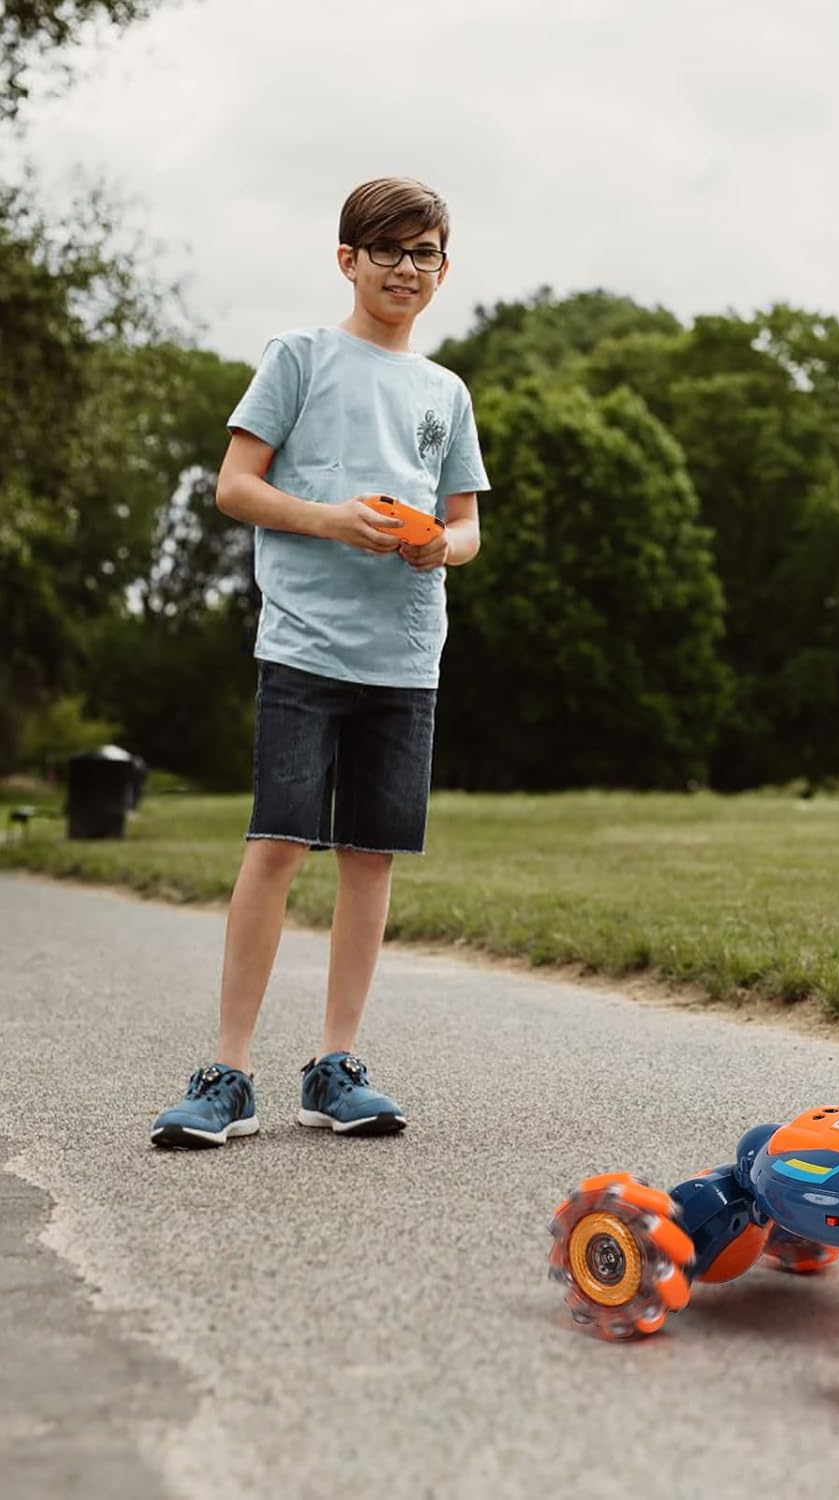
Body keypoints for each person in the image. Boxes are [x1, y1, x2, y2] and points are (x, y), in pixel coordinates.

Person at [150, 177, 490, 1148]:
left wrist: (440, 548)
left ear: (442, 270)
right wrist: (330, 521)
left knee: (369, 860)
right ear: (347, 259)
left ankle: (336, 1067)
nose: (405, 269)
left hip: (405, 654)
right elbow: (234, 487)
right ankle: (227, 1072)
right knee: (276, 847)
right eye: (387, 250)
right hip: (303, 643)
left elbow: (468, 524)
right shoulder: (298, 358)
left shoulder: (446, 393)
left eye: (423, 253)